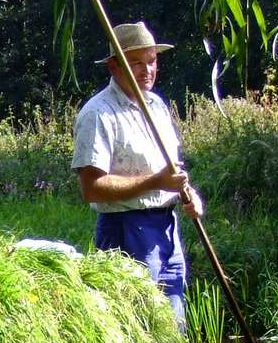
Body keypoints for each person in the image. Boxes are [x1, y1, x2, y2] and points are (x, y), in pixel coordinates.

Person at [72, 20, 204, 324]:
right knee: (137, 326)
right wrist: (156, 182)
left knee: (172, 330)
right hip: (125, 230)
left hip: (167, 229)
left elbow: (171, 169)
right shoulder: (98, 114)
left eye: (152, 61)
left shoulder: (156, 105)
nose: (148, 70)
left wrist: (188, 194)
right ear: (114, 67)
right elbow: (92, 188)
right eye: (136, 63)